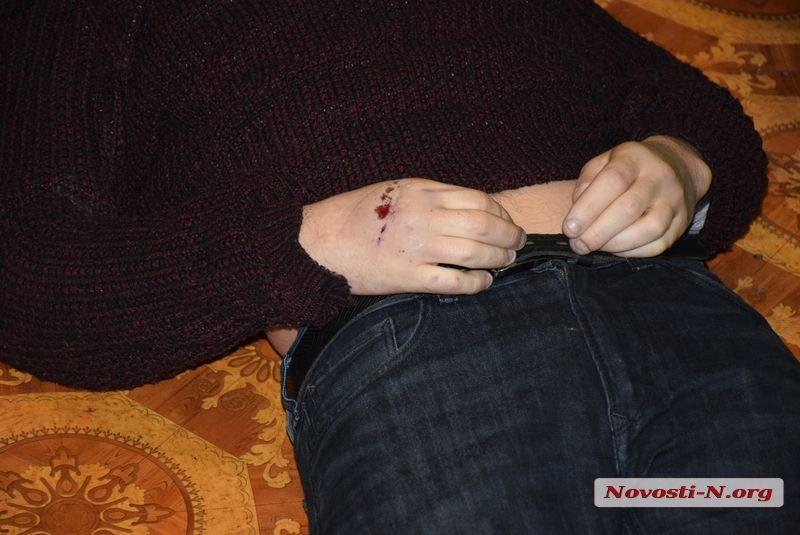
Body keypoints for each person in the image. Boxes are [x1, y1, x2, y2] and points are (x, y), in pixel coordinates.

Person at [1, 1, 798, 533]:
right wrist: (308, 242)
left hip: (676, 315)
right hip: (424, 354)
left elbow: (676, 98)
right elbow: (33, 272)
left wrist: (676, 164)